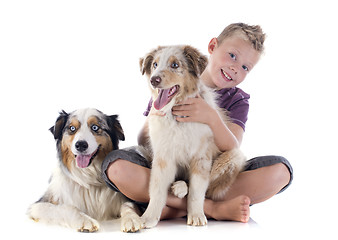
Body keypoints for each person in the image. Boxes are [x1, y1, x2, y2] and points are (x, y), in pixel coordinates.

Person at [102, 23, 293, 223]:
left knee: (281, 172)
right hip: (168, 172)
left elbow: (232, 148)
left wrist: (210, 116)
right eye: (232, 55)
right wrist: (155, 113)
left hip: (213, 177)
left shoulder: (238, 99)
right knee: (116, 168)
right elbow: (143, 142)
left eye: (245, 67)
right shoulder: (169, 85)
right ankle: (212, 208)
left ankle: (175, 206)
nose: (235, 68)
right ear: (212, 46)